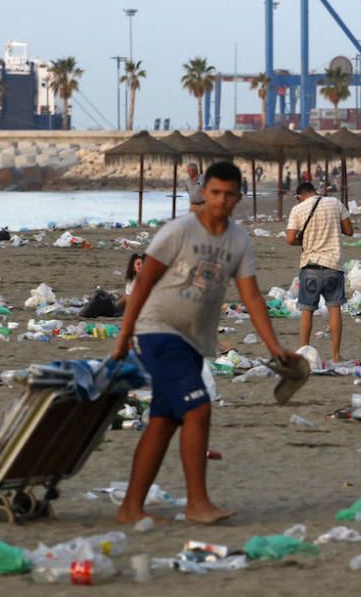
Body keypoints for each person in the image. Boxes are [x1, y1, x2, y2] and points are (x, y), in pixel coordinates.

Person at [111, 161, 298, 525]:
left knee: (164, 420)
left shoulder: (239, 240)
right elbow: (143, 285)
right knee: (198, 408)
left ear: (238, 198)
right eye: (214, 193)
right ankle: (197, 503)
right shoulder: (178, 231)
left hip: (193, 341)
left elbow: (253, 298)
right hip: (157, 330)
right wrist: (123, 337)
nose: (221, 201)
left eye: (229, 195)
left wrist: (275, 348)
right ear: (203, 192)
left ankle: (130, 507)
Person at [286, 181, 354, 361]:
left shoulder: (298, 210)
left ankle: (303, 352)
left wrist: (306, 240)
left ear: (299, 197)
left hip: (310, 266)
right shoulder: (335, 203)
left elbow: (290, 239)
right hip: (334, 265)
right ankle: (336, 355)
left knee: (307, 310)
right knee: (334, 310)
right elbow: (349, 231)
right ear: (315, 191)